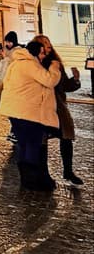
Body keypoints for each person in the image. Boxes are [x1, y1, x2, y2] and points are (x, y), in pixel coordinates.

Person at [0, 38, 61, 191]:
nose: (43, 56)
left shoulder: (16, 63)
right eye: (41, 53)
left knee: (23, 144)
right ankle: (31, 181)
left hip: (15, 112)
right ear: (35, 52)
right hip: (28, 113)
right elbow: (49, 80)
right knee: (32, 144)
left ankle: (27, 180)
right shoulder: (30, 64)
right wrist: (54, 67)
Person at [33, 34, 84, 188]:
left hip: (58, 106)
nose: (47, 45)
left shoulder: (56, 63)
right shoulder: (36, 64)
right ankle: (44, 173)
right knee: (41, 139)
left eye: (48, 42)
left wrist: (75, 80)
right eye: (43, 43)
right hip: (41, 106)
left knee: (66, 136)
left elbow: (65, 86)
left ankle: (68, 171)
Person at [0, 31, 22, 143]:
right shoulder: (7, 51)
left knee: (13, 110)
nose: (7, 44)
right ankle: (15, 131)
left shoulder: (18, 52)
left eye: (8, 42)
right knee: (10, 110)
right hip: (3, 83)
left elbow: (10, 66)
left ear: (12, 41)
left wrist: (5, 57)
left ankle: (16, 132)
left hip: (12, 84)